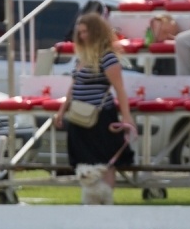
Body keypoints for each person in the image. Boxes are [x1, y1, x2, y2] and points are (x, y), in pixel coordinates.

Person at [55, 13, 136, 188]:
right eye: (80, 32)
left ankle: (106, 196)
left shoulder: (107, 57)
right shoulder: (81, 57)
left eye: (86, 32)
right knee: (83, 160)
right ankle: (90, 196)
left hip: (100, 116)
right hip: (78, 114)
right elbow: (73, 85)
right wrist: (62, 110)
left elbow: (119, 89)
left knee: (104, 159)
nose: (82, 36)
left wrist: (126, 116)